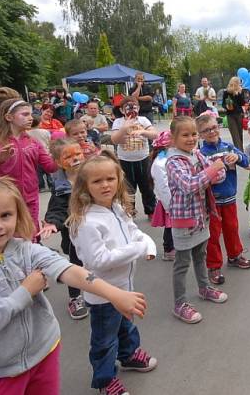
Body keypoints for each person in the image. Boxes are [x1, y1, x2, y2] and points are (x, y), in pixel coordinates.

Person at [0, 177, 147, 395]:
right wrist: (23, 293)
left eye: (5, 215)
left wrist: (114, 294)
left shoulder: (26, 250)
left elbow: (70, 270)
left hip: (45, 353)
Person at [67, 154, 158, 395]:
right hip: (103, 295)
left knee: (126, 325)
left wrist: (147, 244)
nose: (105, 184)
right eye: (97, 181)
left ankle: (128, 355)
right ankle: (105, 380)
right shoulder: (87, 222)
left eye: (110, 178)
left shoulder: (116, 208)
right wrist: (137, 249)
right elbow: (98, 261)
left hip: (125, 287)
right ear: (85, 186)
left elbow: (134, 231)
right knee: (105, 341)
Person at [164, 116, 228, 324]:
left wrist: (212, 171)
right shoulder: (173, 162)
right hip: (184, 221)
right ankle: (179, 303)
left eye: (193, 134)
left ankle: (204, 288)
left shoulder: (196, 153)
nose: (191, 139)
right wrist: (211, 171)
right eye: (185, 135)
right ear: (173, 138)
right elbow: (190, 185)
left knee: (201, 255)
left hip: (201, 217)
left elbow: (221, 175)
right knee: (182, 263)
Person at [0, 98, 58, 239]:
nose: (30, 118)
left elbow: (50, 167)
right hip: (4, 200)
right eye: (25, 114)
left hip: (30, 200)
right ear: (9, 117)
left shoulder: (33, 142)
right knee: (8, 239)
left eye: (31, 114)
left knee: (30, 238)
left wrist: (64, 157)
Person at [196, 112, 250, 285]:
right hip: (211, 202)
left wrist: (238, 157)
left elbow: (245, 160)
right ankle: (214, 266)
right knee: (213, 234)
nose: (212, 132)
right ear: (200, 134)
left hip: (229, 198)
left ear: (219, 127)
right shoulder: (200, 153)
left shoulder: (228, 147)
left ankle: (235, 256)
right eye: (206, 130)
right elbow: (199, 177)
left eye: (214, 127)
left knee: (232, 228)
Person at [43, 138, 89, 320]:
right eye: (68, 156)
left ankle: (101, 290)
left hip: (96, 230)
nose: (75, 158)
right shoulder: (60, 185)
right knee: (75, 264)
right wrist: (53, 222)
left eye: (78, 153)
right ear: (58, 162)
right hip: (73, 233)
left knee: (97, 261)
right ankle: (75, 297)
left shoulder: (91, 174)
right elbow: (57, 208)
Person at [110, 96, 158, 218]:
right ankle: (129, 212)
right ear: (122, 110)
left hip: (143, 159)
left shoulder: (143, 120)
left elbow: (155, 134)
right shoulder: (118, 122)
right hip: (125, 160)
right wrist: (124, 128)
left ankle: (151, 210)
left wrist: (143, 132)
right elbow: (114, 140)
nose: (131, 109)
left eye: (134, 107)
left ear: (139, 108)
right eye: (128, 107)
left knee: (147, 186)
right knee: (127, 188)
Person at [149, 131, 176, 261]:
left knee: (173, 225)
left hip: (173, 199)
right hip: (169, 201)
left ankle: (172, 247)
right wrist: (169, 205)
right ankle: (169, 249)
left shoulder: (168, 157)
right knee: (170, 226)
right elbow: (163, 186)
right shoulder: (160, 162)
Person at [222, 76, 245, 151]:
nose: (237, 84)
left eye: (237, 83)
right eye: (236, 82)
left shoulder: (240, 91)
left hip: (239, 114)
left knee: (240, 134)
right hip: (230, 115)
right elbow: (223, 103)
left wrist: (238, 94)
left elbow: (242, 103)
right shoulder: (226, 92)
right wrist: (227, 107)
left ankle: (241, 151)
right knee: (235, 134)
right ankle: (239, 151)